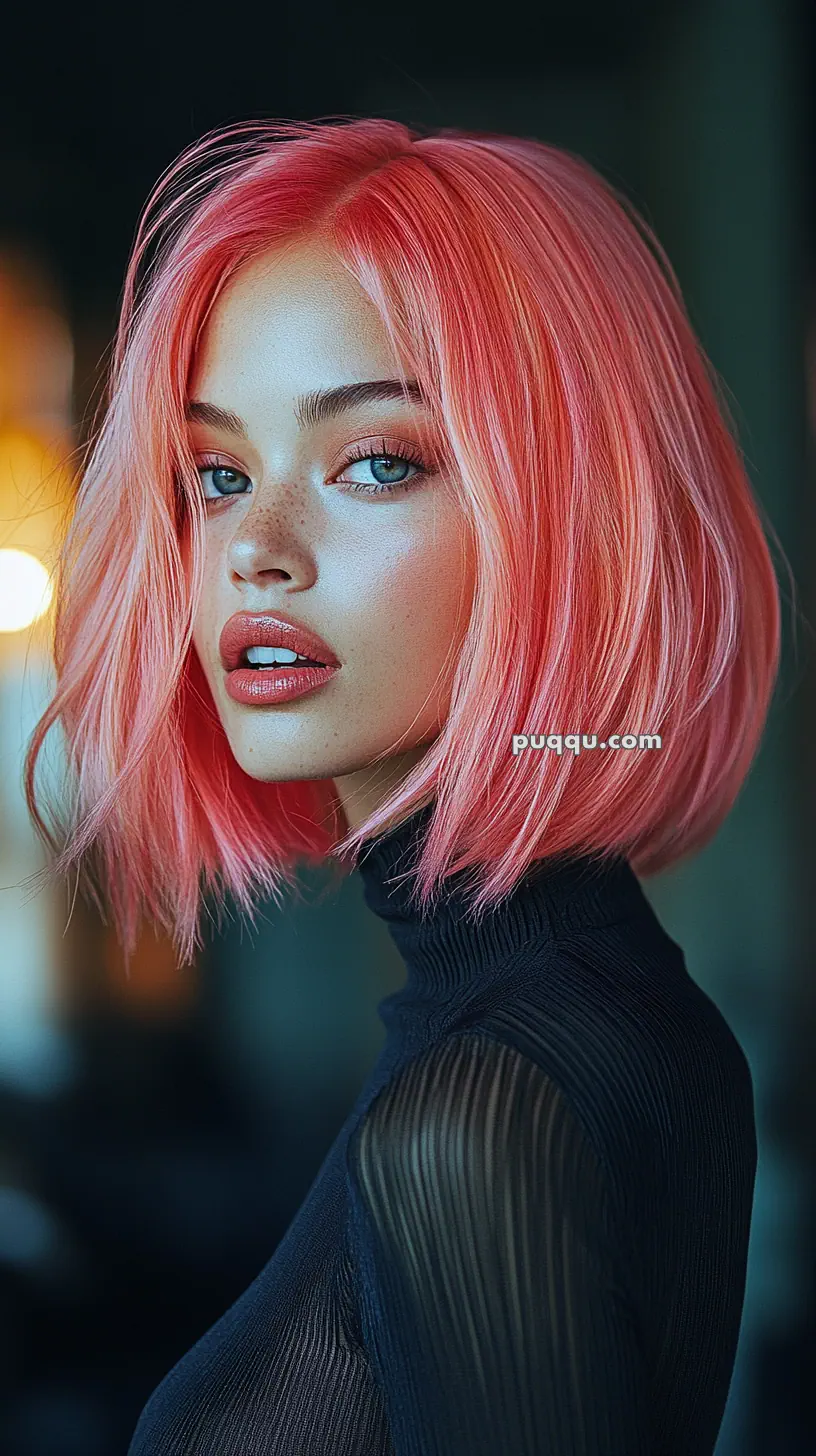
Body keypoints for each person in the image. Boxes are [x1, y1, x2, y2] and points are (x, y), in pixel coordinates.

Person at [24, 116, 781, 1453]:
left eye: (375, 460)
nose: (254, 548)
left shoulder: (480, 1117)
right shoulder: (622, 1016)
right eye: (215, 473)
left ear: (565, 517)